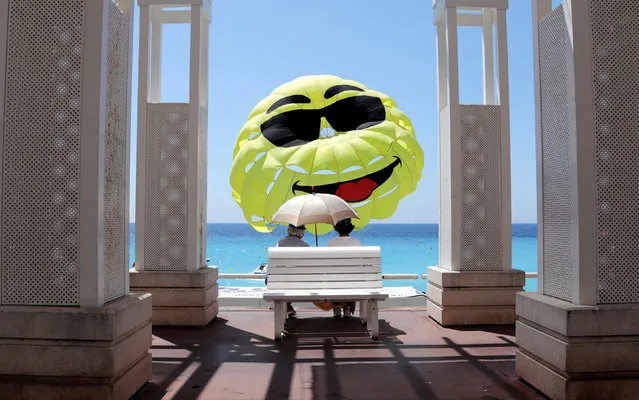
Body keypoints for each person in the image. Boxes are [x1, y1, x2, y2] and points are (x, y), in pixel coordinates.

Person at [327, 218, 362, 318]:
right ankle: (348, 308)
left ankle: (337, 307)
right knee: (352, 276)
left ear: (336, 229)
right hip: (353, 281)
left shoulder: (331, 243)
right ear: (350, 228)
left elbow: (327, 265)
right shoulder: (357, 243)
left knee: (334, 277)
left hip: (334, 281)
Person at [273, 224, 309, 317]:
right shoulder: (304, 246)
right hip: (297, 283)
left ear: (289, 230)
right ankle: (287, 306)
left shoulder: (279, 243)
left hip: (277, 281)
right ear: (301, 232)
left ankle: (287, 306)